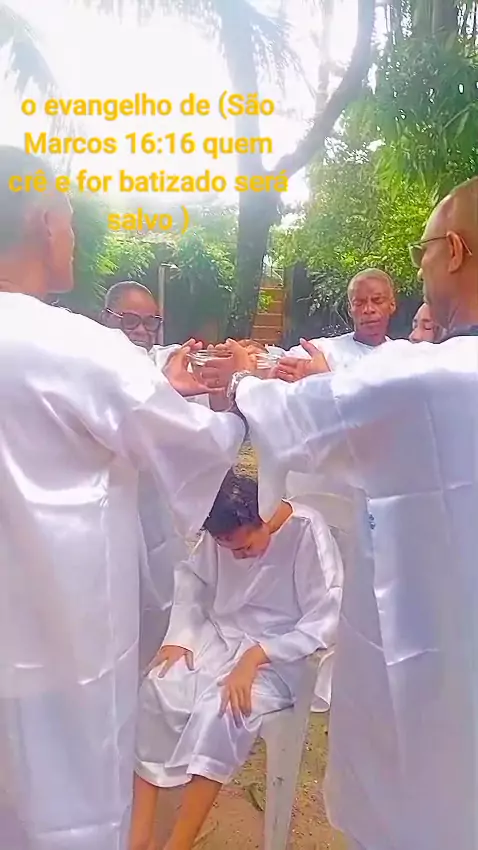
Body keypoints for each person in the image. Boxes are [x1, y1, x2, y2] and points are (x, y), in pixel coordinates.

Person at [201, 177, 478, 850]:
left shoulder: (431, 377)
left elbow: (299, 422)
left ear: (454, 249)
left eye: (421, 251)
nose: (420, 268)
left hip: (433, 667)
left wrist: (239, 380)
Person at [0, 146, 245, 850]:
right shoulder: (77, 347)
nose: (73, 236)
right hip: (63, 644)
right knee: (68, 808)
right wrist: (237, 404)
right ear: (45, 223)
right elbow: (190, 446)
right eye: (70, 220)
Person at [129, 472, 342, 850]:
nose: (238, 557)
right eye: (229, 550)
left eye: (244, 547)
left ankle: (178, 842)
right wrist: (180, 637)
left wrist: (257, 656)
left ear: (264, 517)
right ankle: (138, 835)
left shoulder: (307, 531)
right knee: (158, 687)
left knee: (223, 710)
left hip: (282, 656)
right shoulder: (224, 533)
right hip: (220, 636)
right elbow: (194, 580)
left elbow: (326, 617)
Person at [275, 268, 396, 383]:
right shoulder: (324, 351)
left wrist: (323, 379)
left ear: (392, 305)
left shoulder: (402, 357)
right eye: (359, 303)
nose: (368, 309)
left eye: (377, 300)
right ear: (350, 309)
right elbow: (274, 362)